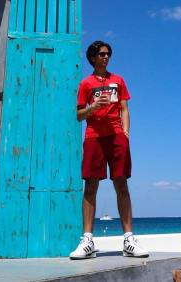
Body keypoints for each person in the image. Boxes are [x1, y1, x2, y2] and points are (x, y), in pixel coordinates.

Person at [69, 40, 148, 260]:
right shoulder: (85, 83)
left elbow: (124, 108)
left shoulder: (118, 80)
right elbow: (79, 115)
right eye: (102, 54)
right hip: (94, 137)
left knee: (121, 184)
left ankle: (129, 240)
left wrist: (126, 132)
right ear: (93, 57)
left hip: (116, 137)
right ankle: (87, 241)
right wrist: (93, 107)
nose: (106, 57)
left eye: (108, 54)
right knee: (90, 186)